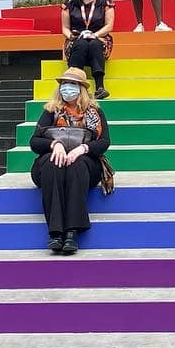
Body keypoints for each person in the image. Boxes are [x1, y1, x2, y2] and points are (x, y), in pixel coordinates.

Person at [28, 67, 111, 255]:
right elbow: (34, 142)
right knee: (52, 163)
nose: (67, 88)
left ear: (81, 88)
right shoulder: (51, 110)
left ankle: (72, 232)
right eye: (64, 84)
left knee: (77, 164)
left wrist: (83, 148)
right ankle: (56, 233)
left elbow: (104, 142)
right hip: (53, 162)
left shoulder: (95, 112)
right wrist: (54, 144)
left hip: (85, 163)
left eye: (72, 84)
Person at [61, 0, 116, 99]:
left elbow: (109, 26)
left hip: (100, 38)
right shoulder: (69, 2)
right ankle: (74, 85)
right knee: (81, 44)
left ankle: (100, 87)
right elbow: (65, 28)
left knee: (94, 44)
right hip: (75, 40)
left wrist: (95, 35)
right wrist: (71, 36)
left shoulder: (105, 1)